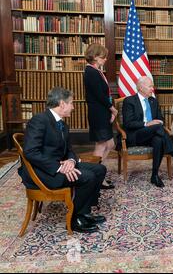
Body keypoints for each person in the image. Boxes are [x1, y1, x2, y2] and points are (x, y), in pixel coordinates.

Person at [18, 87, 107, 234]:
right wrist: (59, 168)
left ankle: (84, 213)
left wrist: (71, 162)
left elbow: (69, 150)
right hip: (42, 172)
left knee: (99, 169)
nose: (73, 107)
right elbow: (31, 152)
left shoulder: (62, 124)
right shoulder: (40, 120)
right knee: (88, 177)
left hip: (58, 165)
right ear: (62, 104)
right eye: (71, 103)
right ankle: (74, 219)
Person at [122, 76, 173, 188]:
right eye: (150, 86)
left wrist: (157, 122)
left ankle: (154, 175)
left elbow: (161, 119)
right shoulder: (129, 101)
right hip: (137, 135)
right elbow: (128, 123)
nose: (152, 89)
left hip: (154, 134)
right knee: (158, 129)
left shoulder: (153, 101)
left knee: (159, 139)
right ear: (141, 88)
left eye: (153, 86)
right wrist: (147, 124)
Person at [84, 43, 118, 189]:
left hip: (102, 112)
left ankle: (97, 174)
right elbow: (99, 95)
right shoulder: (90, 72)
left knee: (110, 144)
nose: (105, 60)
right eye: (103, 57)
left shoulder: (96, 71)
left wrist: (109, 110)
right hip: (98, 114)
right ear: (96, 57)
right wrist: (113, 109)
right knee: (101, 145)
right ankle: (95, 178)